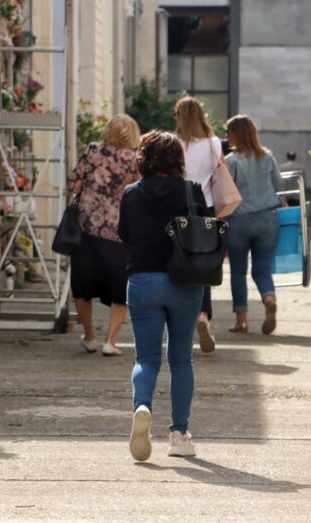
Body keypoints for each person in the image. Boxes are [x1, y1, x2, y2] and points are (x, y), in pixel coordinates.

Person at [119, 130, 210, 460]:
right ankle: (178, 435)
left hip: (142, 280)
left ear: (144, 158)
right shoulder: (191, 191)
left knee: (145, 358)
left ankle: (142, 407)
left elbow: (124, 235)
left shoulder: (131, 194)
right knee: (181, 357)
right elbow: (205, 234)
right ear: (177, 160)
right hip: (184, 282)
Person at [68, 114, 141, 356]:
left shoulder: (92, 150)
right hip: (119, 232)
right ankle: (110, 341)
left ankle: (90, 337)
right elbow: (139, 193)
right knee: (121, 287)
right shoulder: (134, 159)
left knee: (82, 283)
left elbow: (73, 182)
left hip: (87, 228)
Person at [224, 115, 283, 335]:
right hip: (267, 219)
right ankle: (268, 298)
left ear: (236, 134)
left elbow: (227, 192)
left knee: (238, 271)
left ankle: (242, 321)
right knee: (262, 269)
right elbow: (279, 184)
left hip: (239, 220)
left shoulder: (231, 161)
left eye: (229, 132)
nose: (227, 136)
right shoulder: (268, 157)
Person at [173, 96, 221, 353]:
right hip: (206, 209)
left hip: (177, 208)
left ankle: (180, 320)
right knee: (204, 264)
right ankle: (203, 314)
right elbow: (218, 174)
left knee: (177, 262)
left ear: (179, 116)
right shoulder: (214, 143)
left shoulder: (172, 142)